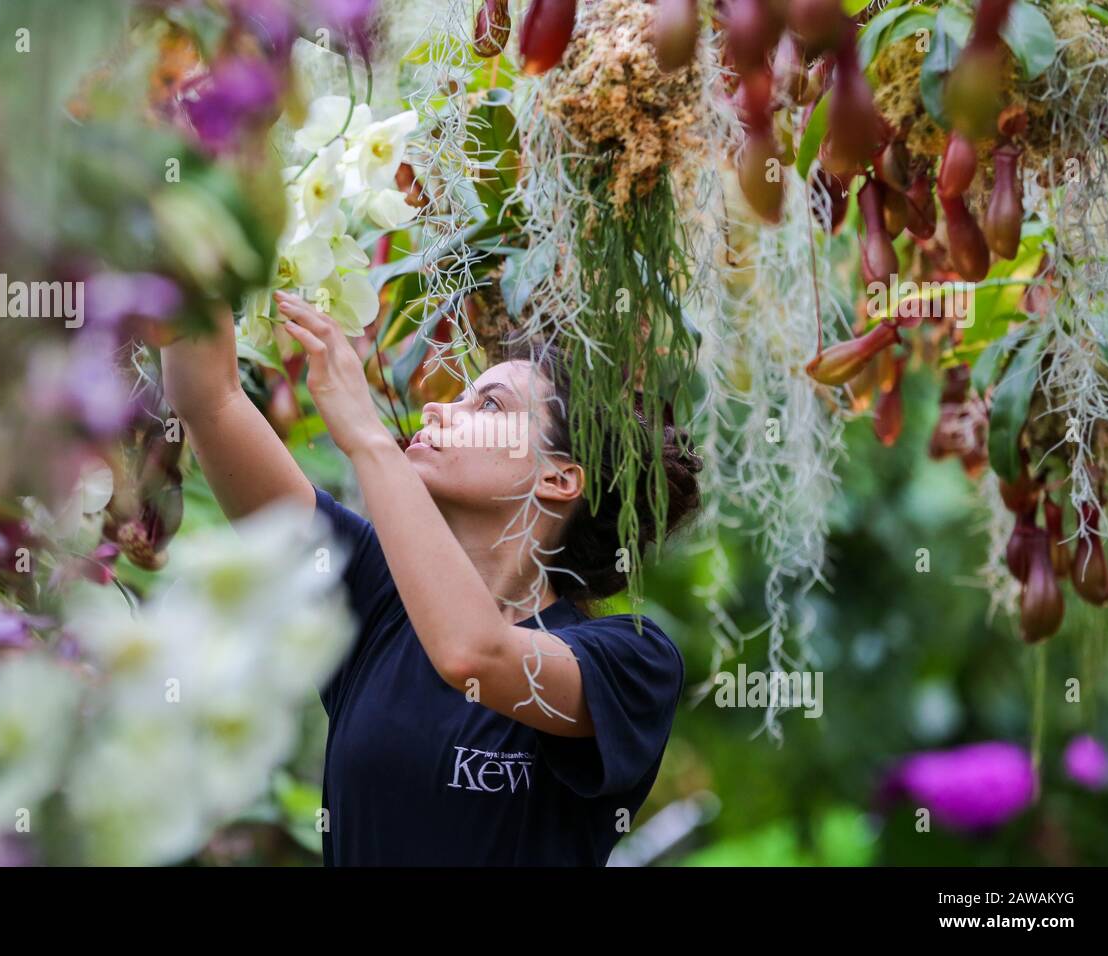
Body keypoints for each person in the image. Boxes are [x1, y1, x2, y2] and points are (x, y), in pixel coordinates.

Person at [162, 290, 703, 865]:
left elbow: (475, 655)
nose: (439, 410)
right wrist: (206, 248)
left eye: (490, 406)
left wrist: (370, 441)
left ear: (561, 478)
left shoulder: (631, 663)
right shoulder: (372, 595)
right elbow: (212, 402)